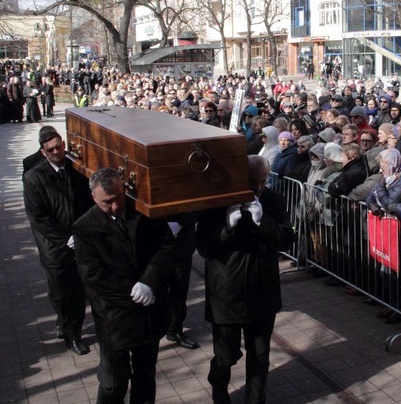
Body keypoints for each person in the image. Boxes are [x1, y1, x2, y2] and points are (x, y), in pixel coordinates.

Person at [72, 168, 179, 403]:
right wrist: (136, 294)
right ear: (94, 198)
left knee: (145, 378)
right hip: (116, 320)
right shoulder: (85, 228)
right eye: (107, 202)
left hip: (149, 317)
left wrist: (149, 281)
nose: (114, 207)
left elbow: (168, 247)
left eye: (118, 198)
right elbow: (94, 277)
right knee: (113, 383)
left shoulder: (144, 212)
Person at [196, 155, 295, 403]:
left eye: (263, 182)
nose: (259, 188)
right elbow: (205, 248)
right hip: (226, 292)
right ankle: (219, 388)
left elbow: (285, 239)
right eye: (253, 182)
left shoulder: (273, 200)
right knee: (225, 355)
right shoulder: (217, 202)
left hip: (262, 288)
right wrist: (227, 226)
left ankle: (256, 399)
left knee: (259, 354)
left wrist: (264, 222)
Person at [23, 129, 94, 355]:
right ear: (43, 153)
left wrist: (81, 233)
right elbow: (38, 217)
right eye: (50, 150)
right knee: (61, 293)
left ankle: (74, 333)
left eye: (58, 147)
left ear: (63, 144)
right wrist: (65, 239)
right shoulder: (34, 178)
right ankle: (65, 322)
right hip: (53, 247)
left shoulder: (76, 170)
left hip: (78, 241)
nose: (56, 152)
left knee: (77, 291)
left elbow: (86, 204)